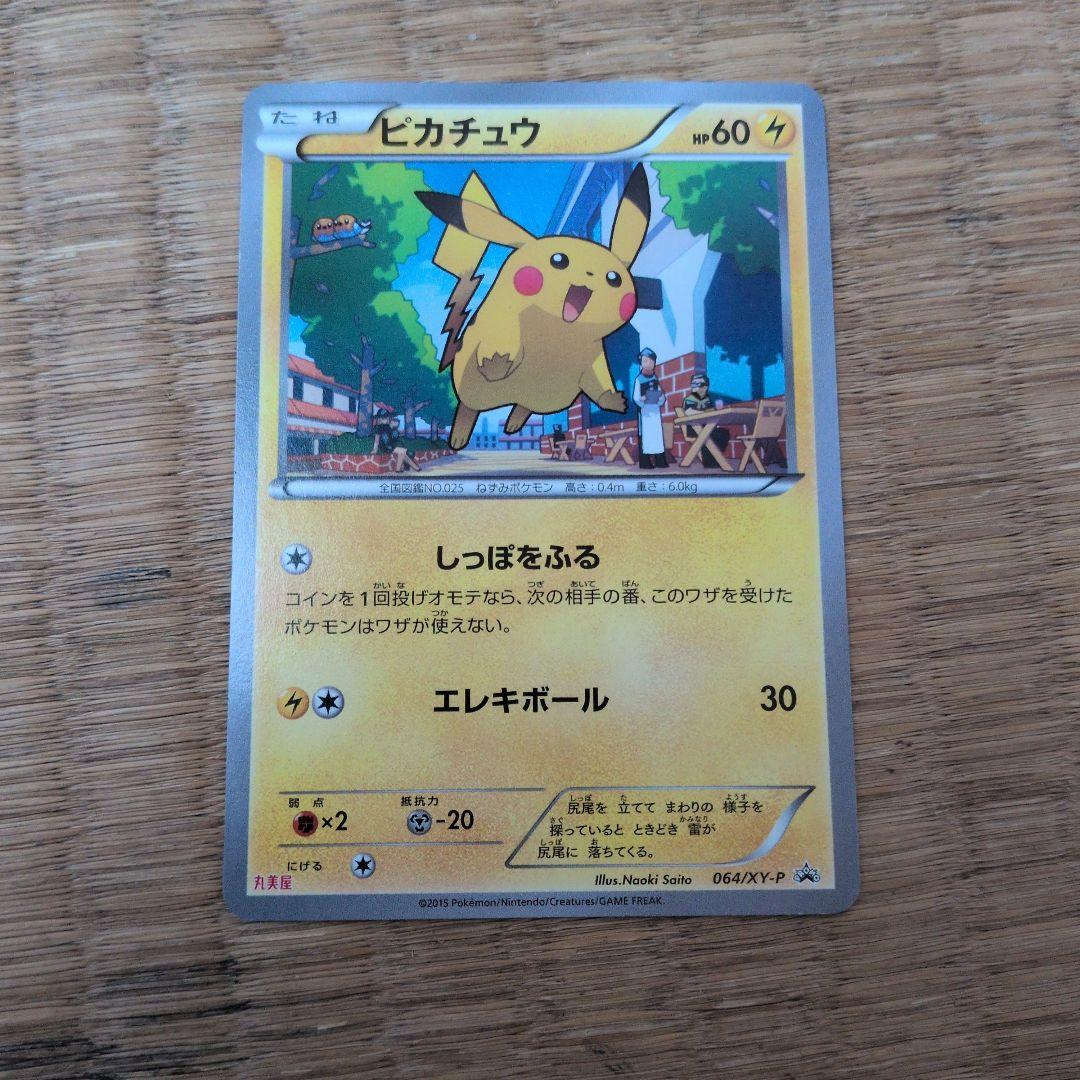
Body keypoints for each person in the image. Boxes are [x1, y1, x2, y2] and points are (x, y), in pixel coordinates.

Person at [681, 373, 729, 468]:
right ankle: (710, 462)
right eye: (693, 384)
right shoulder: (689, 399)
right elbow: (689, 412)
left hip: (707, 427)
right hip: (694, 428)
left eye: (698, 384)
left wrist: (716, 410)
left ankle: (715, 459)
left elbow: (712, 412)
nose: (695, 386)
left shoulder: (708, 400)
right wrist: (706, 412)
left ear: (705, 387)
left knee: (723, 433)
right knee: (708, 435)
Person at [632, 348, 668, 469]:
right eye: (645, 361)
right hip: (645, 413)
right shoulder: (639, 379)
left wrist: (660, 399)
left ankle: (660, 460)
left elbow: (661, 395)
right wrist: (643, 399)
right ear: (641, 362)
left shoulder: (654, 379)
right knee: (646, 437)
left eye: (651, 361)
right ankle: (645, 462)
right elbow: (636, 398)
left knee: (657, 436)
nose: (648, 364)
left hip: (655, 411)